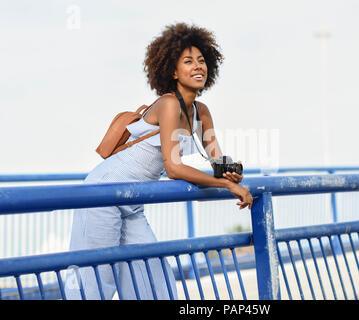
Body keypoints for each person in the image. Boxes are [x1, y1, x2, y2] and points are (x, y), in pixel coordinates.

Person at [64, 22, 253, 300]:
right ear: (173, 71)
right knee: (95, 281)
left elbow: (217, 160)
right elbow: (173, 167)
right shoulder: (168, 104)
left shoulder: (202, 112)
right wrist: (227, 187)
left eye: (202, 61)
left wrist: (232, 174)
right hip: (102, 193)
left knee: (153, 280)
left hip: (132, 201)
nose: (198, 67)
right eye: (188, 61)